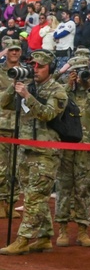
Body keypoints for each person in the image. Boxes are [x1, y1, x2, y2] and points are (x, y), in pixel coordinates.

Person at [0, 51, 69, 255]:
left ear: (51, 68)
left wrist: (27, 96)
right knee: (34, 195)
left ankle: (23, 239)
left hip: (45, 152)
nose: (35, 69)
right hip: (26, 150)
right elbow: (3, 103)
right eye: (34, 65)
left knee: (34, 197)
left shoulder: (57, 91)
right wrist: (14, 87)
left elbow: (48, 114)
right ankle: (45, 236)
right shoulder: (27, 86)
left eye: (40, 66)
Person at [54, 57, 90, 248]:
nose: (81, 76)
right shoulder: (62, 90)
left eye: (83, 71)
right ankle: (62, 230)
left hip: (86, 148)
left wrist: (89, 88)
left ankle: (82, 230)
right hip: (66, 147)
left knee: (84, 189)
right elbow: (55, 111)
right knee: (64, 187)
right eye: (77, 72)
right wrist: (68, 87)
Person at [0, 38, 24, 219]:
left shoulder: (26, 73)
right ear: (6, 51)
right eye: (11, 50)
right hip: (2, 125)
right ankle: (1, 202)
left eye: (17, 50)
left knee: (17, 168)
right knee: (1, 167)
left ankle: (11, 202)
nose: (14, 53)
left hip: (20, 125)